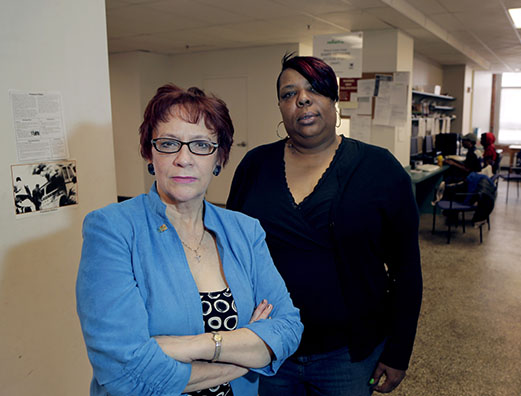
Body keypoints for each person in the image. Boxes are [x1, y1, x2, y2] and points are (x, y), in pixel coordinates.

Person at [76, 84, 303, 396]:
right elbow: (125, 371)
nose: (184, 159)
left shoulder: (245, 231)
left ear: (219, 158)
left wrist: (194, 345)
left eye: (201, 145)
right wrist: (246, 353)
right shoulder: (112, 229)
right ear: (149, 153)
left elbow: (288, 329)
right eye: (169, 143)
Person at [226, 54, 423, 395]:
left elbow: (407, 270)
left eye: (314, 89)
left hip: (347, 355)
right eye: (289, 94)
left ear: (335, 101)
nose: (302, 99)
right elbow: (232, 250)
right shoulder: (255, 165)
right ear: (281, 108)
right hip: (270, 346)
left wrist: (398, 351)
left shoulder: (379, 169)